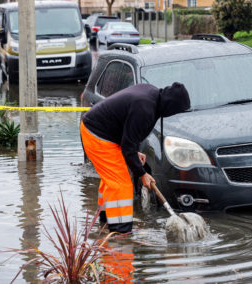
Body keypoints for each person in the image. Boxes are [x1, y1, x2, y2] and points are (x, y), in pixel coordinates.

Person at [80, 82, 190, 233]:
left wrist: (135, 152)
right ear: (171, 106)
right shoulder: (145, 108)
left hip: (104, 132)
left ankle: (105, 223)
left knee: (112, 180)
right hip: (97, 135)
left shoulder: (152, 94)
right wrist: (143, 174)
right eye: (176, 111)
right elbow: (127, 146)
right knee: (121, 184)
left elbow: (128, 131)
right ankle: (121, 234)